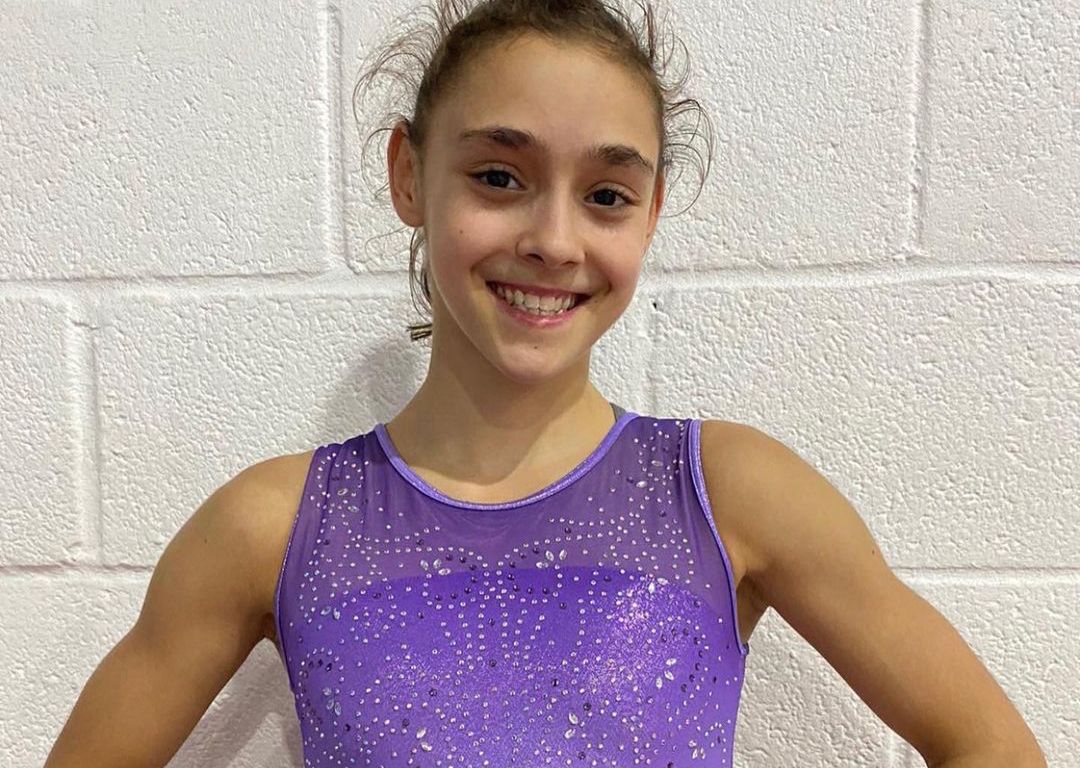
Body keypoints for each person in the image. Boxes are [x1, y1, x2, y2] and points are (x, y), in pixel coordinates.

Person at [45, 1, 1046, 766]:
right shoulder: (271, 526)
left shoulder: (728, 493)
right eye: (499, 177)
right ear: (409, 175)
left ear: (650, 211)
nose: (555, 240)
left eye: (606, 194)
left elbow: (990, 745)